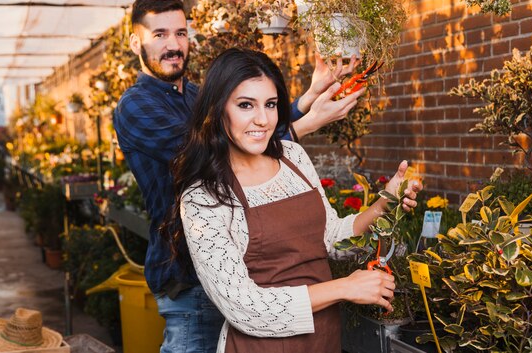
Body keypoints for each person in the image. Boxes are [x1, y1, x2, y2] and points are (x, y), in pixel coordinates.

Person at [113, 0, 367, 353]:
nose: (174, 45)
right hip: (191, 279)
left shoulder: (196, 95)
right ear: (135, 41)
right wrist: (309, 123)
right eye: (160, 35)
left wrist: (307, 97)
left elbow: (252, 128)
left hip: (246, 269)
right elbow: (212, 151)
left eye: (181, 33)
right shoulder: (136, 105)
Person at [170, 48, 423, 353]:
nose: (262, 119)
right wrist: (345, 287)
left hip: (324, 339)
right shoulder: (203, 197)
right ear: (218, 109)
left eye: (271, 104)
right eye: (245, 105)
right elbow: (245, 308)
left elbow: (330, 238)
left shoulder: (292, 157)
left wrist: (384, 203)